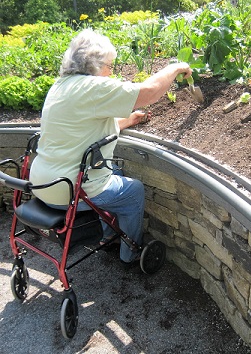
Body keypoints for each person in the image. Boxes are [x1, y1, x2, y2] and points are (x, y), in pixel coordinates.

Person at [29, 28, 192, 267]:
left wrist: (128, 120)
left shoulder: (61, 87)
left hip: (43, 185)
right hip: (71, 192)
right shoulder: (92, 87)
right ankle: (131, 253)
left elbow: (85, 129)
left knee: (114, 173)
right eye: (110, 65)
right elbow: (149, 92)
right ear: (94, 64)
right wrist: (176, 67)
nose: (112, 71)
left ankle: (108, 235)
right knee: (133, 190)